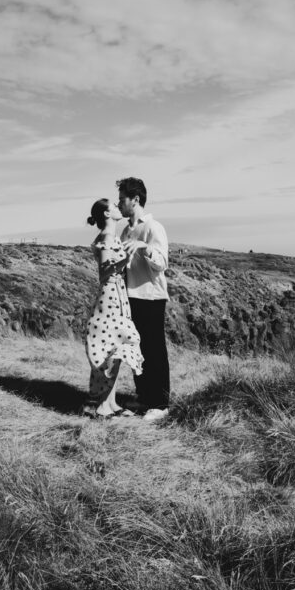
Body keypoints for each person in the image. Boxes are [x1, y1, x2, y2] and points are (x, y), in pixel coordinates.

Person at [116, 177, 170, 422]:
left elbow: (161, 264)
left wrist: (143, 247)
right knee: (136, 349)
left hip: (151, 296)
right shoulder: (127, 229)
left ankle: (160, 403)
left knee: (154, 349)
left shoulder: (152, 227)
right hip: (131, 297)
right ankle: (144, 396)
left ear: (135, 199)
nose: (119, 203)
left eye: (122, 199)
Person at [83, 198, 143, 418]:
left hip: (118, 297)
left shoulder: (113, 237)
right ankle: (102, 406)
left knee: (117, 349)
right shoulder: (107, 237)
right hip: (110, 297)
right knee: (112, 349)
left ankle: (111, 403)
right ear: (107, 214)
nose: (119, 209)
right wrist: (125, 259)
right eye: (114, 207)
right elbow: (103, 273)